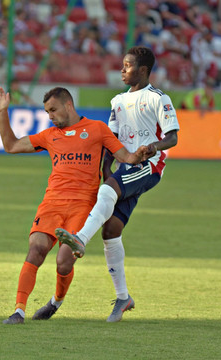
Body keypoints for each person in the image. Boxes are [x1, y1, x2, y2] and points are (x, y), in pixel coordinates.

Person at [0, 85, 148, 325]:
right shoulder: (49, 135)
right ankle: (18, 311)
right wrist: (2, 111)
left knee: (64, 261)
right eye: (47, 112)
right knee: (36, 249)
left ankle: (56, 301)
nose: (50, 116)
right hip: (51, 203)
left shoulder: (97, 129)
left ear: (68, 105)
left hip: (82, 206)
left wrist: (141, 154)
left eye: (53, 110)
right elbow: (11, 145)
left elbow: (125, 156)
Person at [56, 46, 179, 322]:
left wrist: (153, 146)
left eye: (128, 65)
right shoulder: (117, 101)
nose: (122, 69)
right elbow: (110, 142)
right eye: (122, 65)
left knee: (109, 190)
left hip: (149, 165)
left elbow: (172, 138)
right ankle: (123, 298)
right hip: (126, 165)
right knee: (111, 230)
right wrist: (104, 168)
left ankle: (80, 239)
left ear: (144, 71)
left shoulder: (159, 99)